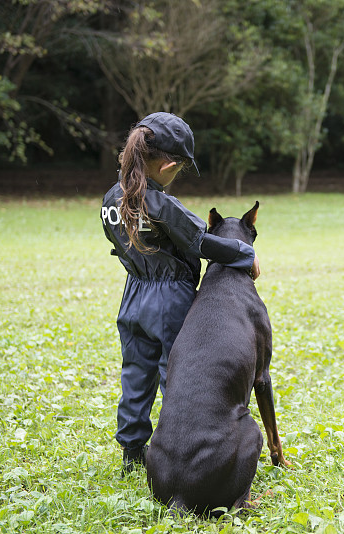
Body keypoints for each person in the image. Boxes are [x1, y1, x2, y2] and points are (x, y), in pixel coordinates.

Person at [100, 112, 260, 474]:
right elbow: (202, 242)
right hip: (171, 299)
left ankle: (132, 452)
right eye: (179, 170)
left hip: (133, 296)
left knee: (136, 374)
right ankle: (182, 446)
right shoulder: (161, 204)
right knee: (180, 375)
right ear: (168, 164)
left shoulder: (111, 199)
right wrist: (245, 254)